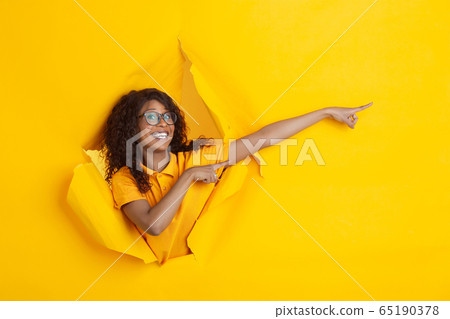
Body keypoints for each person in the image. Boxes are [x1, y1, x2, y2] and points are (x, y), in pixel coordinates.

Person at [101, 87, 372, 264]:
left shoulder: (198, 155)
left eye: (168, 117)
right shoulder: (125, 179)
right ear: (131, 126)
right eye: (151, 117)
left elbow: (262, 139)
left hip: (211, 272)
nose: (163, 124)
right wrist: (190, 176)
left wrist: (325, 112)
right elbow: (154, 226)